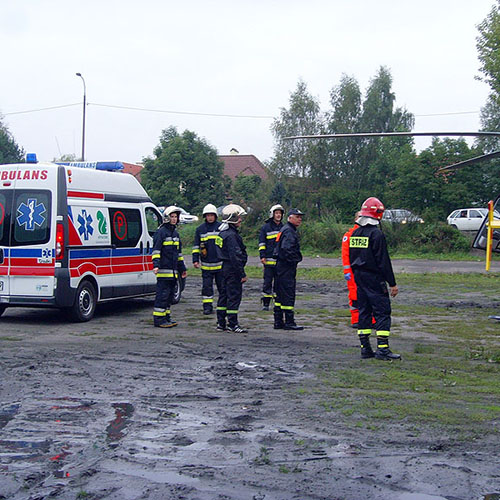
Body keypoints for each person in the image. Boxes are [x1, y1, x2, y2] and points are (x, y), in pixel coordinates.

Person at [349, 197, 400, 360]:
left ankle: (365, 348)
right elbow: (383, 261)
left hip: (359, 278)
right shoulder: (377, 234)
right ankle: (383, 350)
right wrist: (392, 283)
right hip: (374, 278)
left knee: (364, 311)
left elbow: (351, 257)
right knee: (382, 312)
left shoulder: (355, 233)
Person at [152, 206, 188, 328]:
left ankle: (166, 317)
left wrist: (182, 269)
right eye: (172, 217)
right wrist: (156, 265)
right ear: (167, 218)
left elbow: (179, 254)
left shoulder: (175, 234)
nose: (174, 219)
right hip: (163, 271)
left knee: (169, 296)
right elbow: (156, 251)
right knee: (162, 295)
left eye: (176, 217)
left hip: (173, 272)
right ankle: (158, 319)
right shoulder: (160, 233)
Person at [215, 204, 248, 333]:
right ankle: (233, 324)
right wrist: (242, 274)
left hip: (223, 268)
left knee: (223, 296)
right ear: (233, 218)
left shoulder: (222, 233)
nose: (240, 219)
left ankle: (221, 322)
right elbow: (235, 256)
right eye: (238, 217)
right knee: (233, 296)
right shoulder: (231, 236)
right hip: (232, 269)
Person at [273, 208, 304, 330]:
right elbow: (287, 249)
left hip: (280, 267)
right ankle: (289, 322)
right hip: (286, 267)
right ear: (290, 217)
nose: (300, 219)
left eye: (300, 217)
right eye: (297, 217)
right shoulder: (289, 231)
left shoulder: (285, 229)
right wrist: (295, 259)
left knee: (280, 295)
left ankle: (278, 321)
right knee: (287, 294)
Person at [192, 203, 222, 315]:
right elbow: (196, 246)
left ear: (215, 216)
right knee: (207, 287)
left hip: (220, 264)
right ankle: (207, 307)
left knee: (222, 287)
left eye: (211, 215)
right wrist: (195, 260)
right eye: (208, 215)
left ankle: (222, 306)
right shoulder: (200, 229)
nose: (210, 217)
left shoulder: (221, 228)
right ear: (205, 216)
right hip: (206, 265)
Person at [258, 204, 285, 311]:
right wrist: (262, 256)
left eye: (280, 213)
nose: (278, 215)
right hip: (268, 261)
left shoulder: (283, 228)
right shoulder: (265, 228)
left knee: (279, 283)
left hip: (280, 261)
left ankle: (278, 303)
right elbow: (262, 243)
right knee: (267, 282)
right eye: (276, 213)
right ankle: (266, 303)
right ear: (272, 214)